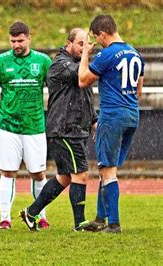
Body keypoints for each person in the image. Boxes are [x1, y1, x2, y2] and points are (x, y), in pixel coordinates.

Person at [20, 28, 98, 231]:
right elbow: (80, 76)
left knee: (64, 178)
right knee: (80, 174)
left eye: (87, 44)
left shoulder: (78, 64)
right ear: (68, 43)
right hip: (65, 129)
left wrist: (94, 120)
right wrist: (87, 56)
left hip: (74, 128)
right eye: (81, 44)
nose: (85, 48)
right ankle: (79, 224)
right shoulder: (60, 64)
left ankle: (30, 213)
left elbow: (86, 95)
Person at [78, 15, 145, 233]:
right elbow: (138, 92)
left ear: (102, 34)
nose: (97, 41)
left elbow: (82, 81)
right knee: (107, 167)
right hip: (132, 115)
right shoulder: (136, 53)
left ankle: (113, 223)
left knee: (108, 171)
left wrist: (86, 55)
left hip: (112, 115)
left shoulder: (107, 54)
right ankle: (100, 218)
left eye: (97, 38)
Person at [0, 21, 52, 230]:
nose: (16, 44)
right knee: (8, 172)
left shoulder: (42, 61)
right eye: (13, 41)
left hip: (35, 125)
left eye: (20, 40)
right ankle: (4, 219)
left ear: (29, 38)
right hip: (8, 126)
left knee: (38, 173)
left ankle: (41, 216)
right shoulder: (0, 62)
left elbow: (54, 91)